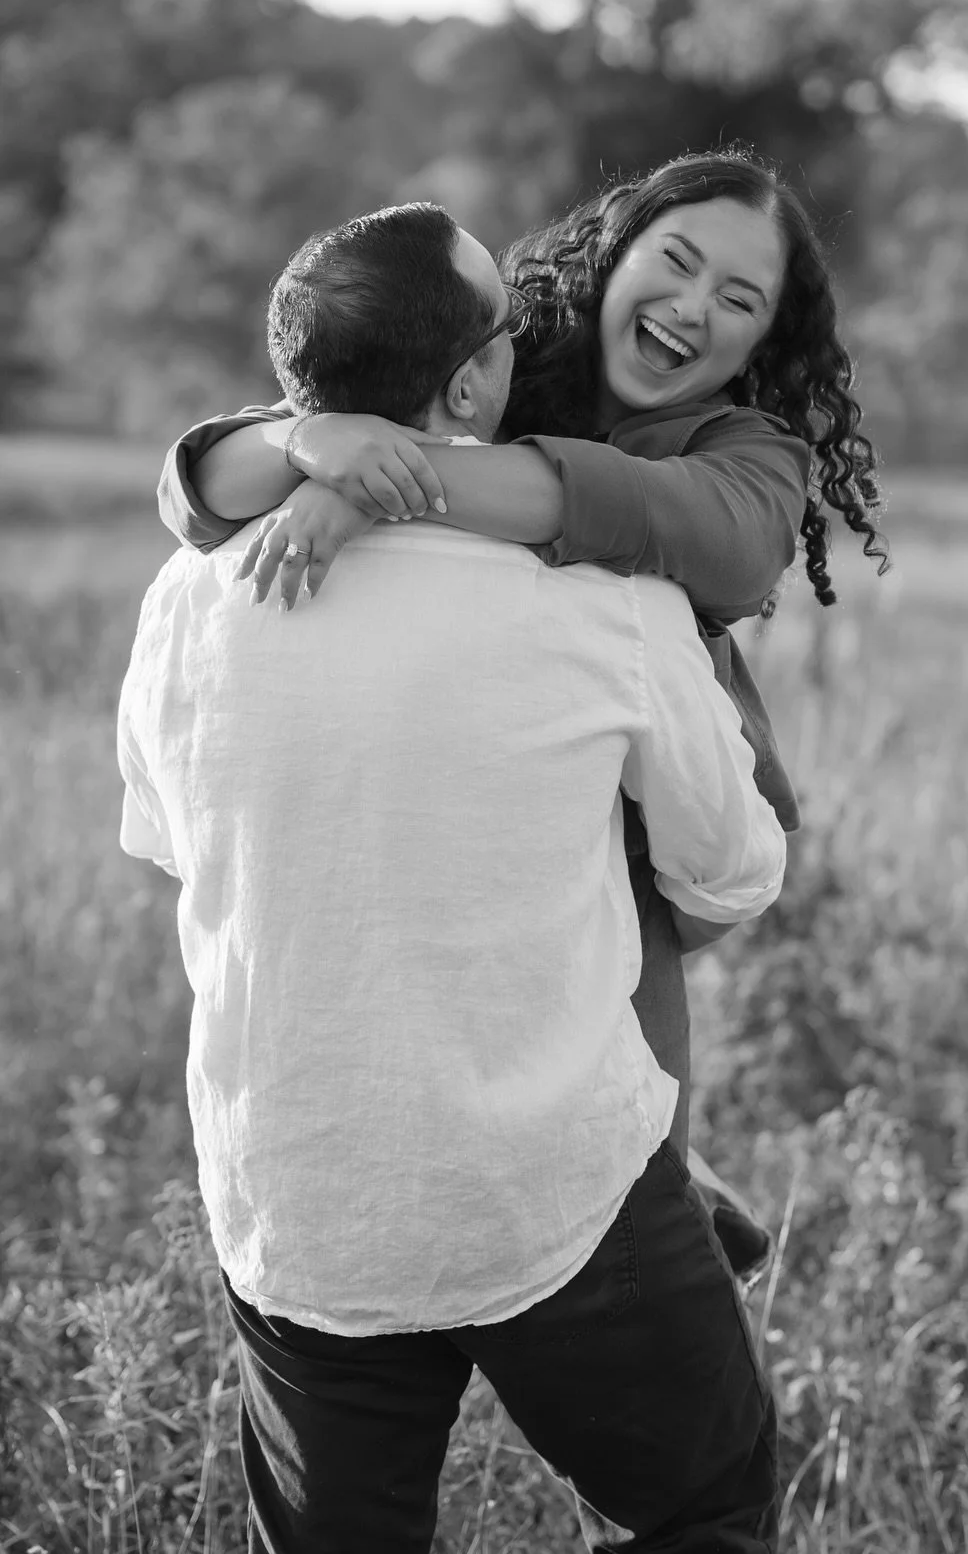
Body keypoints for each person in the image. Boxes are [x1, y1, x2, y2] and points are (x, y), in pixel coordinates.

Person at [118, 201, 788, 1553]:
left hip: (301, 1192)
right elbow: (732, 875)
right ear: (478, 377)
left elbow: (175, 841)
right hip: (551, 1183)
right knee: (701, 1509)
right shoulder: (607, 604)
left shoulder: (187, 598)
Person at [157, 148, 887, 1196]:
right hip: (424, 798)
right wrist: (317, 436)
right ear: (614, 247)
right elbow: (195, 492)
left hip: (622, 839)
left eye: (739, 299)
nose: (692, 307)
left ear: (766, 336)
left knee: (619, 1169)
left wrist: (384, 483)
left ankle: (662, 1212)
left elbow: (691, 530)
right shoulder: (496, 354)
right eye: (674, 260)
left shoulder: (748, 451)